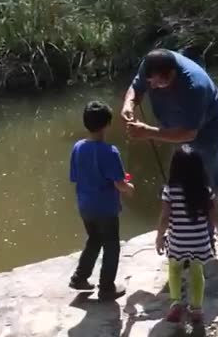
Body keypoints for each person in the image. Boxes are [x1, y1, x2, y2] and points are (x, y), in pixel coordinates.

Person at [121, 48, 218, 273]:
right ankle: (185, 234)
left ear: (171, 75)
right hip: (176, 125)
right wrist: (129, 104)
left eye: (157, 84)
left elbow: (189, 134)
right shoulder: (151, 64)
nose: (151, 87)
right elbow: (136, 88)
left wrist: (148, 132)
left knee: (205, 182)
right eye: (150, 82)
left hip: (207, 130)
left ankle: (205, 243)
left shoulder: (194, 87)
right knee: (180, 180)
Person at [68, 100, 135, 301]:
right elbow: (120, 184)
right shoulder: (110, 151)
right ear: (107, 124)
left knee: (94, 240)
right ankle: (106, 288)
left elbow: (76, 176)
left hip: (85, 206)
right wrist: (129, 188)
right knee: (112, 245)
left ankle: (79, 278)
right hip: (105, 209)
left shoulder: (78, 147)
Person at [155, 144, 218, 323]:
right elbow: (214, 215)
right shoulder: (204, 192)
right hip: (200, 241)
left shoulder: (169, 191)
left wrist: (159, 237)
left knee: (174, 269)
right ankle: (196, 309)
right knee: (196, 272)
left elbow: (164, 218)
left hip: (178, 240)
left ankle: (176, 303)